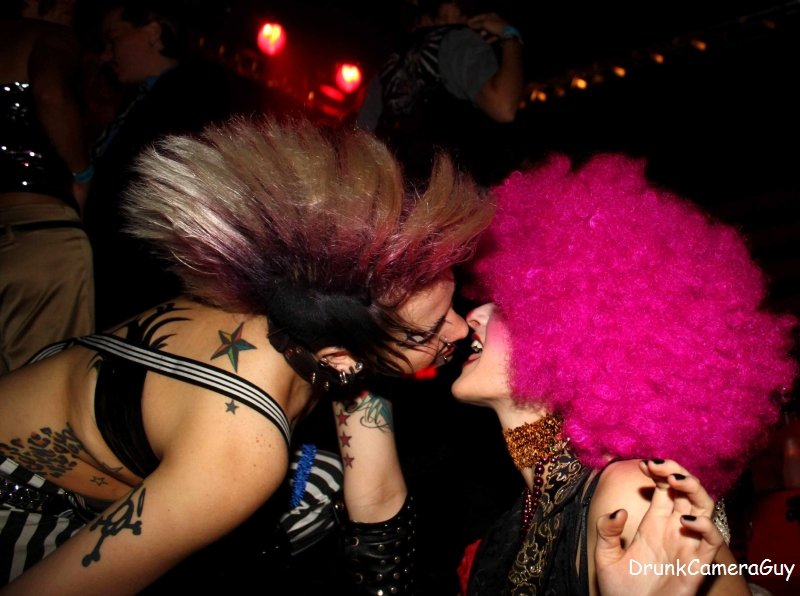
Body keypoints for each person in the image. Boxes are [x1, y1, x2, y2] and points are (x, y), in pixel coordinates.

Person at [0, 117, 493, 593]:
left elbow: (377, 496)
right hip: (19, 503)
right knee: (308, 501)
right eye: (428, 331)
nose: (461, 326)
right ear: (342, 356)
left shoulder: (302, 313)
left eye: (452, 305)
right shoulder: (244, 451)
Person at [448, 153, 798, 594]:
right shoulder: (509, 527)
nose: (474, 314)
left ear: (572, 336)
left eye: (505, 305)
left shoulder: (632, 495)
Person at [83, 0, 231, 330]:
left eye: (113, 38)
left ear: (152, 32)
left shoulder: (193, 92)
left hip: (131, 283)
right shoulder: (150, 96)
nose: (106, 55)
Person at [0, 0, 94, 374]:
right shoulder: (50, 37)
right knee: (44, 380)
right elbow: (51, 94)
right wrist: (82, 173)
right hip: (41, 231)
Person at [356, 0, 525, 187]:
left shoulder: (387, 65)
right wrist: (511, 37)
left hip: (397, 192)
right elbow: (503, 106)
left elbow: (360, 139)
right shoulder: (457, 41)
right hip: (455, 194)